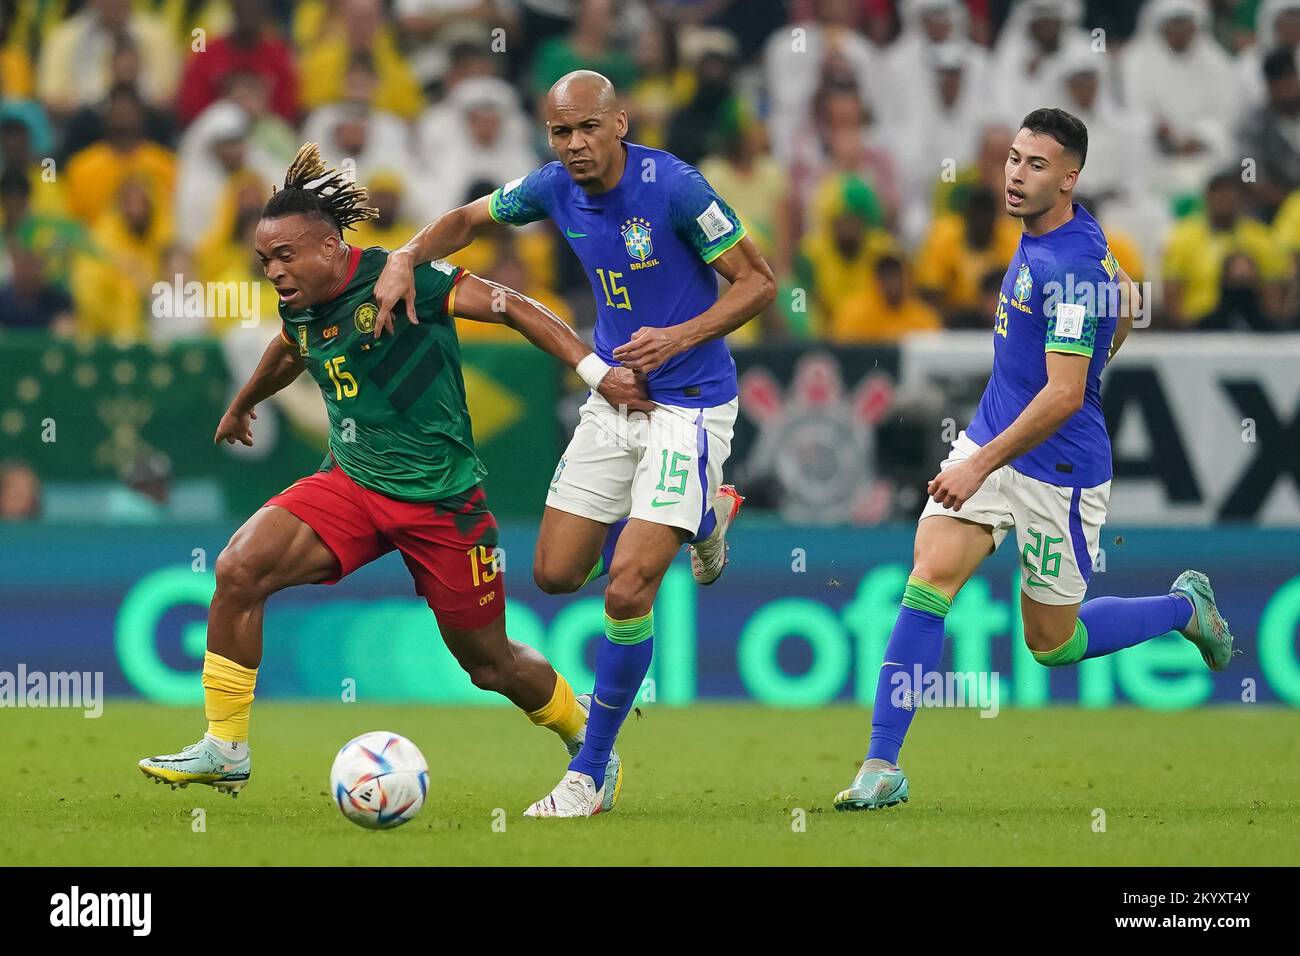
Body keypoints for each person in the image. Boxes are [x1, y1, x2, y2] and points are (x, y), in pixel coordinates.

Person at [137, 143, 650, 801]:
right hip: (352, 482)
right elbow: (291, 345)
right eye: (265, 261)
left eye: (286, 256)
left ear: (328, 246)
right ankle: (224, 748)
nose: (274, 272)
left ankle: (587, 739)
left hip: (442, 502)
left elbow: (514, 306)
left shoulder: (405, 277)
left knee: (490, 665)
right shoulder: (301, 297)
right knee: (239, 569)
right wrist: (244, 402)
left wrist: (593, 370)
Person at [373, 70, 776, 817]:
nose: (575, 144)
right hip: (613, 400)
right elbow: (466, 221)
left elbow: (758, 282)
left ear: (619, 122)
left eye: (588, 128)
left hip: (688, 407)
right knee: (557, 574)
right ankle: (708, 515)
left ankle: (591, 771)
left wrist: (682, 336)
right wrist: (403, 256)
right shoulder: (551, 187)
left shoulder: (677, 187)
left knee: (627, 586)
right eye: (560, 132)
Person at [832, 108, 1236, 812]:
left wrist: (976, 465)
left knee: (1054, 644)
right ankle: (880, 764)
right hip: (994, 434)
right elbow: (1130, 302)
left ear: (1070, 178)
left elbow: (1062, 395)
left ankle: (1183, 609)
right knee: (929, 577)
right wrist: (990, 452)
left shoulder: (1073, 264)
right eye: (1014, 159)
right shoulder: (1062, 240)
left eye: (1036, 165)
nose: (1017, 174)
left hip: (1060, 473)